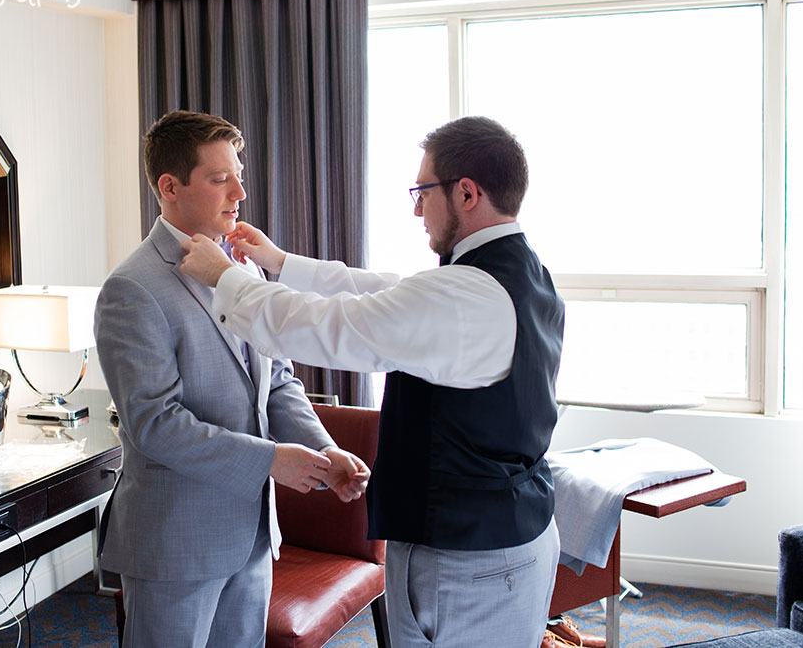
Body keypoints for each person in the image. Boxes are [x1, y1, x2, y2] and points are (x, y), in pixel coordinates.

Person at [180, 115, 564, 648]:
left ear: (467, 193)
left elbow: (331, 328)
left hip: (466, 562)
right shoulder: (513, 272)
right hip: (508, 540)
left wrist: (226, 277)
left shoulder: (465, 296)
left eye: (422, 191)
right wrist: (279, 262)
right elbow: (383, 291)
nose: (416, 208)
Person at [93, 110, 370, 648]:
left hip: (254, 534)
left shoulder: (243, 269)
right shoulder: (132, 288)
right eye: (221, 178)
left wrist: (321, 449)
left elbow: (280, 381)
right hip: (176, 540)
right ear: (170, 187)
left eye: (237, 174)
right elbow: (155, 425)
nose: (240, 191)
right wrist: (271, 460)